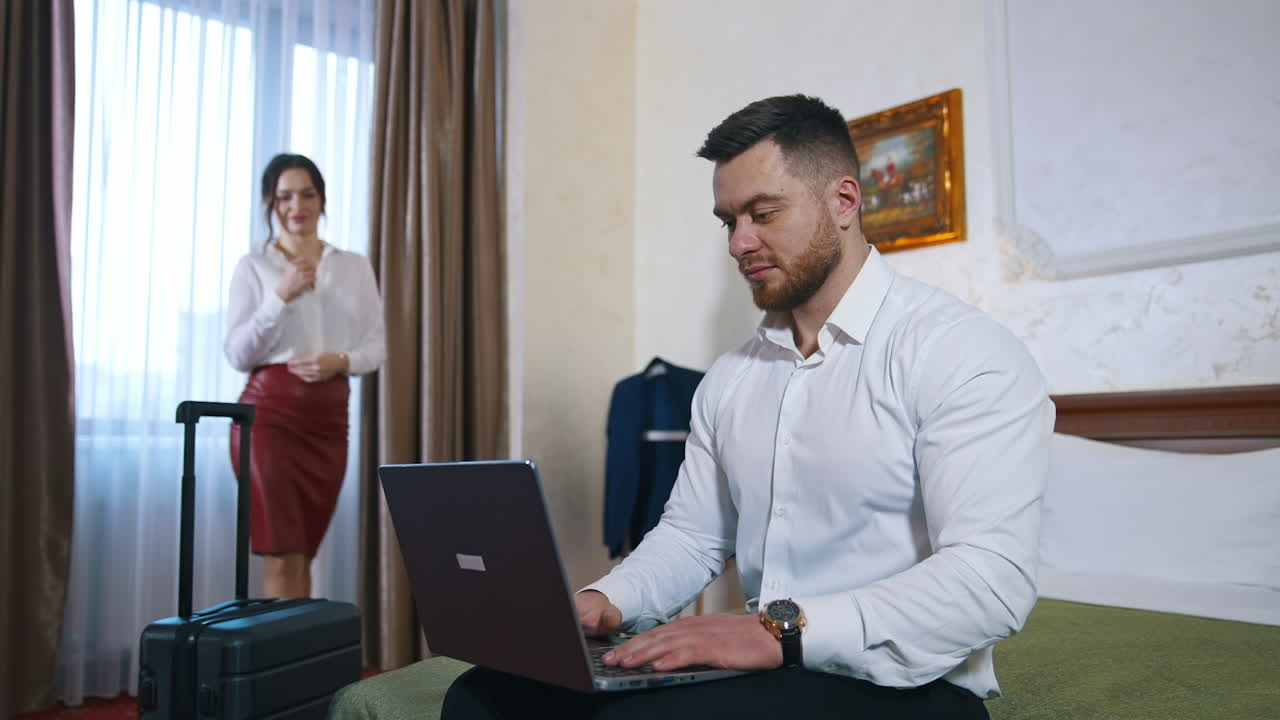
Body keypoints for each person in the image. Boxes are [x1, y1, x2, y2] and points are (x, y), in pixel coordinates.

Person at [442, 95, 1053, 719]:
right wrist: (605, 598)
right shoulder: (732, 379)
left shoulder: (963, 353)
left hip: (908, 684)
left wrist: (778, 632)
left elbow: (990, 581)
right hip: (771, 665)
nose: (739, 243)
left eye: (763, 214)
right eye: (728, 220)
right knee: (483, 695)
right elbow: (693, 535)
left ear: (843, 202)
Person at [224, 153, 386, 599]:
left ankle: (296, 665)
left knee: (304, 555)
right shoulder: (253, 267)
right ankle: (280, 668)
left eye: (307, 194)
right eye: (285, 196)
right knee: (281, 555)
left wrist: (341, 361)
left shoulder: (353, 266)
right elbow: (237, 353)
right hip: (270, 421)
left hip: (329, 424)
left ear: (322, 200)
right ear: (270, 204)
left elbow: (376, 346)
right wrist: (281, 296)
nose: (297, 205)